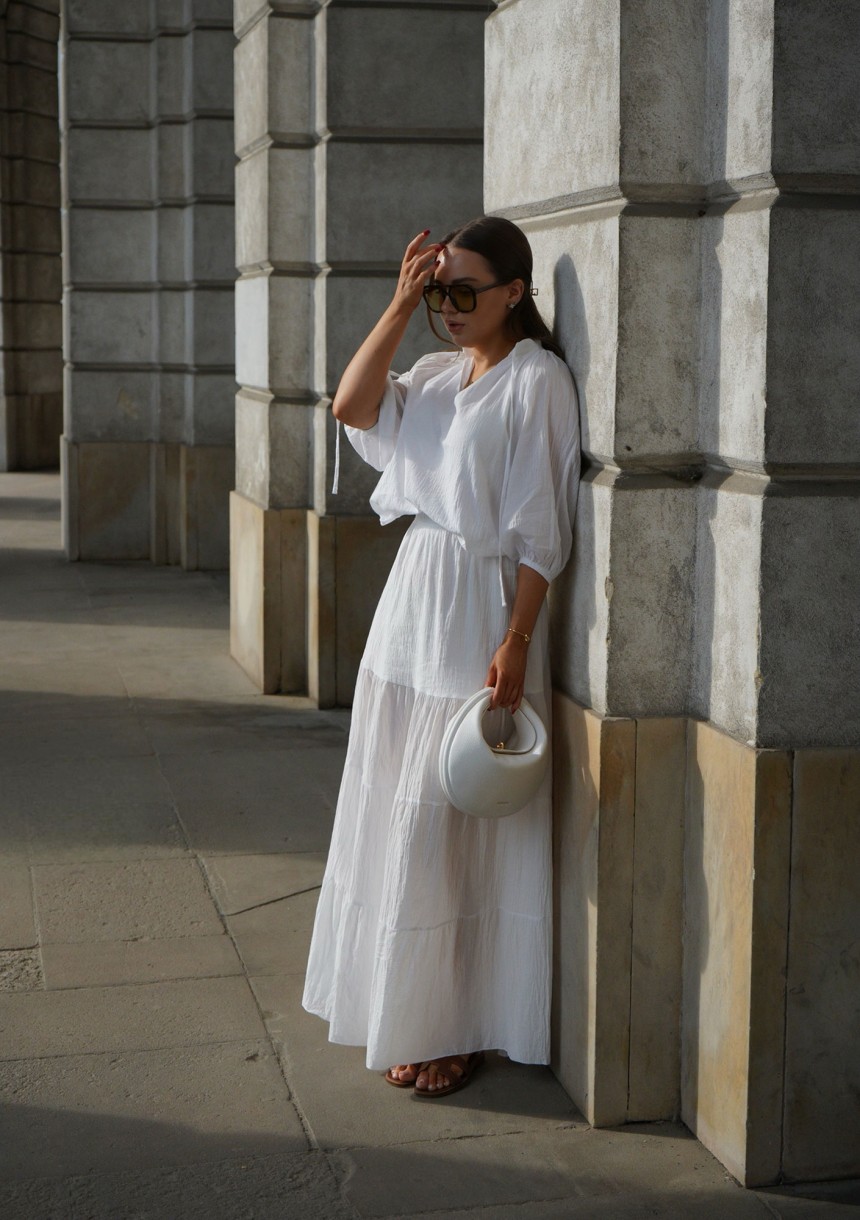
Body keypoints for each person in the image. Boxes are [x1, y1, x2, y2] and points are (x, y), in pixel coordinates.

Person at [302, 215, 581, 1098]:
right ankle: (410, 1011)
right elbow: (350, 407)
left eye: (465, 291)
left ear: (514, 292)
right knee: (400, 814)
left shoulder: (536, 380)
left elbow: (543, 528)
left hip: (478, 606)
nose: (449, 308)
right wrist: (398, 305)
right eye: (438, 293)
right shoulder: (433, 374)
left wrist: (517, 638)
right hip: (412, 604)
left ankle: (455, 1021)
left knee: (452, 824)